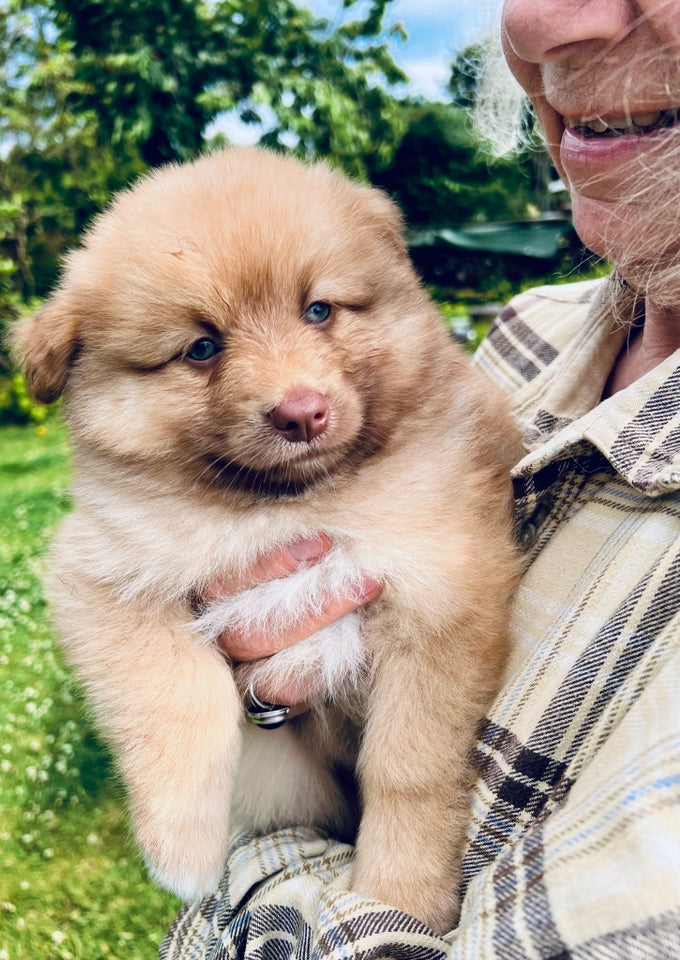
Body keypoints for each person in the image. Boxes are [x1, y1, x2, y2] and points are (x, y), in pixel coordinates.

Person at [161, 1, 680, 956]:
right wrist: (268, 702)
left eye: (323, 309)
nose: (546, 19)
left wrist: (261, 844)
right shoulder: (529, 334)